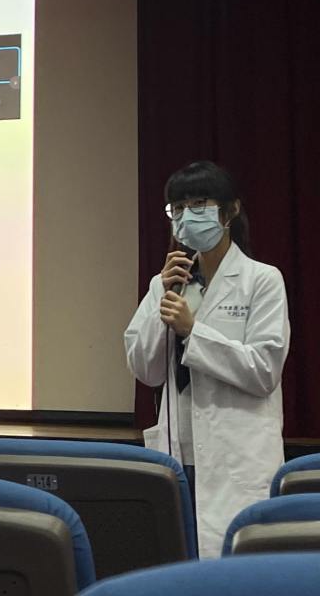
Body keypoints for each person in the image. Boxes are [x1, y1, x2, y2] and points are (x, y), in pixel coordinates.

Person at [124, 160, 290, 558]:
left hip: (236, 458)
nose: (187, 216)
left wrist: (192, 331)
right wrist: (162, 299)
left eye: (199, 204)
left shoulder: (262, 279)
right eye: (178, 208)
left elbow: (264, 370)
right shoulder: (167, 282)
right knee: (180, 563)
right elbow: (146, 369)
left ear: (230, 211)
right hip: (179, 454)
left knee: (236, 568)